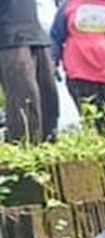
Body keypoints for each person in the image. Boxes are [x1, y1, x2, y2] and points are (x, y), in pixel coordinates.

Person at [0, 0, 60, 143]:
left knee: (48, 97)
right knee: (24, 99)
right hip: (10, 39)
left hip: (38, 37)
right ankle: (23, 146)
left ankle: (48, 144)